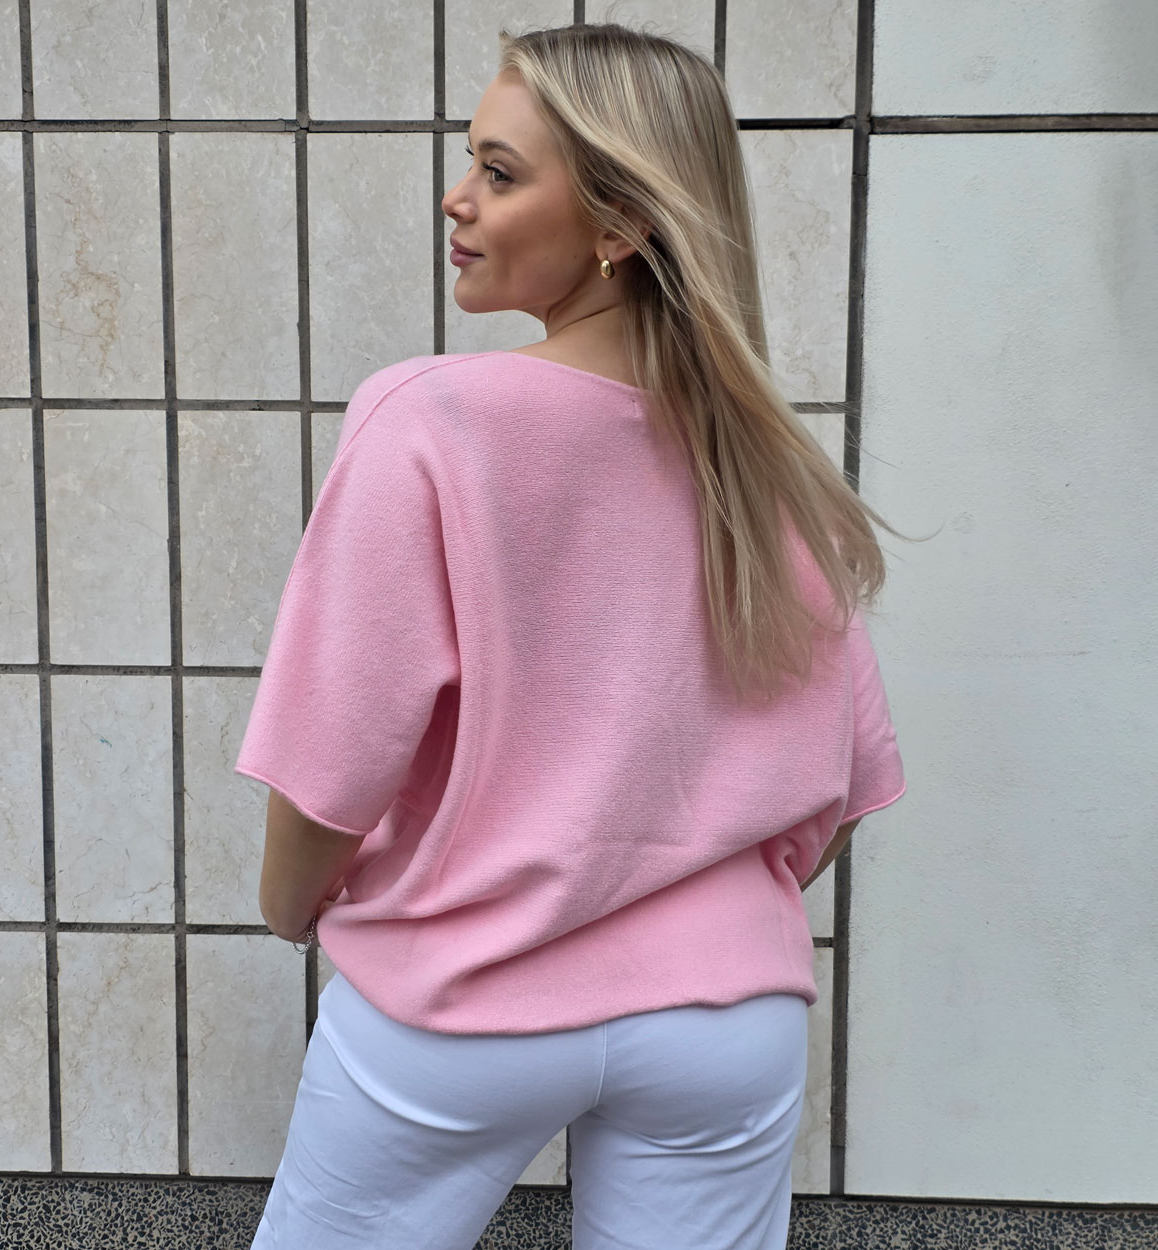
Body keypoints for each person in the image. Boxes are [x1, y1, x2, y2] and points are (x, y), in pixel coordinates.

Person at [233, 20, 915, 1250]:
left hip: (458, 1004)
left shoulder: (429, 418)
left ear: (619, 224)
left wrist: (292, 907)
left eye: (499, 173)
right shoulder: (759, 459)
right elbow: (842, 791)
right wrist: (681, 901)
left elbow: (333, 753)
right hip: (725, 1021)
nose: (457, 197)